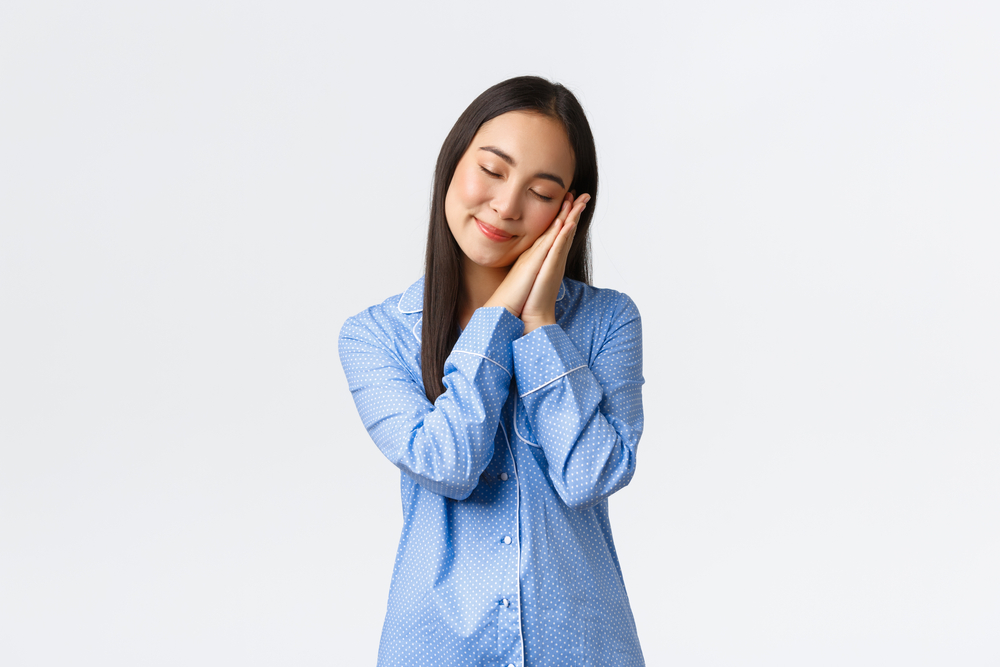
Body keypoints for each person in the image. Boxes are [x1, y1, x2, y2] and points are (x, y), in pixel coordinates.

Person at [339, 76, 645, 667]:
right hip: (436, 648)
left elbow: (592, 475)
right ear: (453, 164)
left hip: (583, 647)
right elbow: (447, 464)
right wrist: (501, 313)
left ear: (569, 210)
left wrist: (539, 324)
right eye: (493, 169)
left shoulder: (609, 322)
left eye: (541, 189)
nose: (506, 206)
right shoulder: (377, 334)